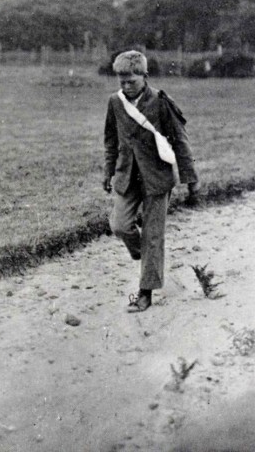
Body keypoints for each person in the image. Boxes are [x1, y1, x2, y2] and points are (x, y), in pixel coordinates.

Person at [103, 50, 200, 312]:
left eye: (131, 81)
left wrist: (191, 179)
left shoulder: (160, 101)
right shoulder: (115, 102)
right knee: (120, 225)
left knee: (153, 236)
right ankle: (141, 252)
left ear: (145, 76)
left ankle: (145, 292)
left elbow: (180, 141)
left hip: (157, 177)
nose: (126, 86)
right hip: (127, 175)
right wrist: (108, 172)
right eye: (122, 81)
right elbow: (110, 141)